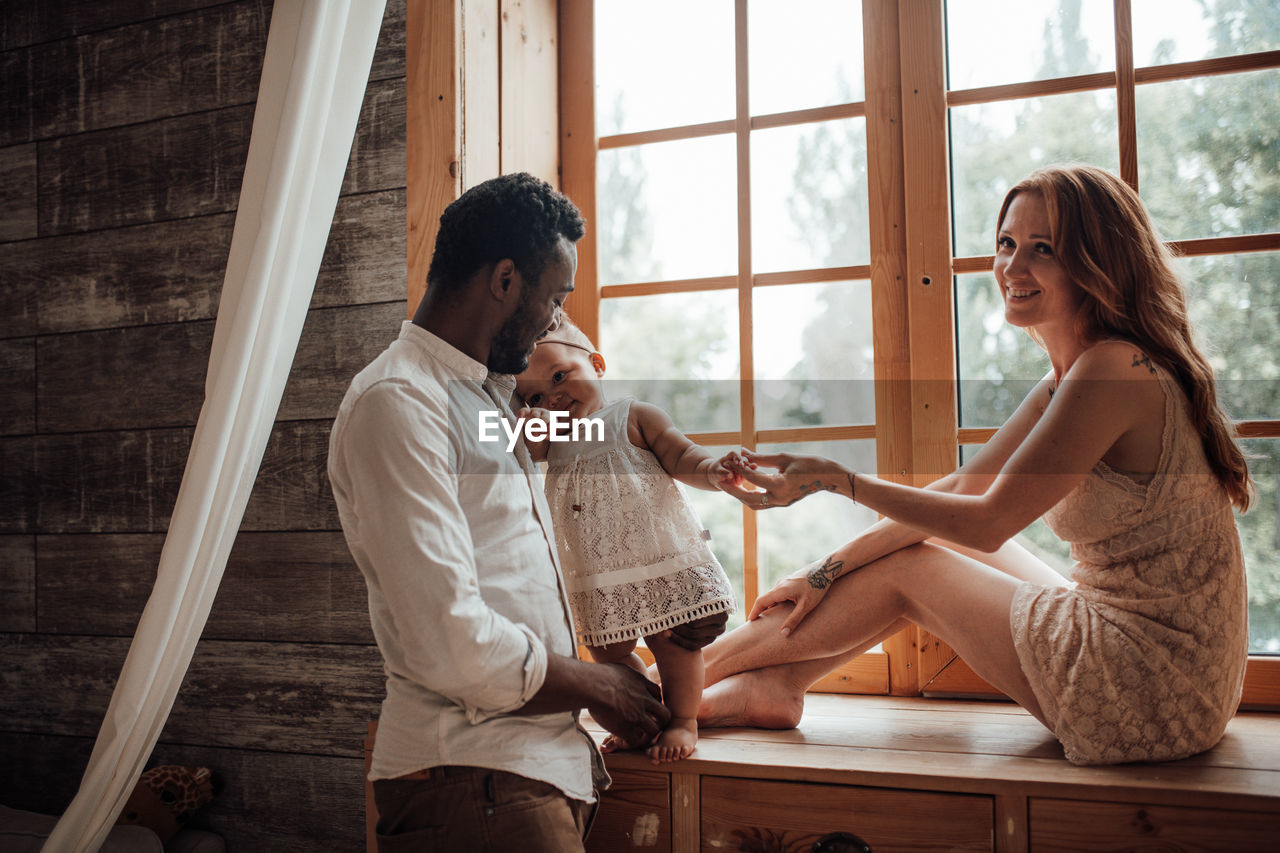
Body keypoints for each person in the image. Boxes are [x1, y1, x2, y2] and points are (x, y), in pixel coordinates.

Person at [703, 164, 1252, 766]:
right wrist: (823, 570)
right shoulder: (1074, 374)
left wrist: (841, 481)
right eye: (1006, 244)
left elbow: (987, 521)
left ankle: (671, 686)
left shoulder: (1113, 370)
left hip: (1153, 683)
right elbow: (966, 484)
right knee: (921, 546)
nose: (1013, 269)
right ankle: (775, 686)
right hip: (1170, 660)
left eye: (1043, 250)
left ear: (1098, 263)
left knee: (912, 568)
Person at [327, 173, 723, 852]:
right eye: (555, 296)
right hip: (473, 781)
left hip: (520, 778)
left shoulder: (492, 402)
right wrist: (598, 682)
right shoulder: (399, 403)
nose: (554, 320)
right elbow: (451, 640)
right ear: (506, 279)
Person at [513, 317, 745, 763]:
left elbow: (682, 455)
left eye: (561, 376)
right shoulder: (556, 437)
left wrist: (713, 470)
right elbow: (526, 448)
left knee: (673, 641)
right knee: (608, 653)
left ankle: (683, 721)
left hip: (656, 556)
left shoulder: (633, 416)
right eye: (537, 395)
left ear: (596, 364)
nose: (554, 396)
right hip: (597, 570)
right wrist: (530, 424)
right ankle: (644, 719)